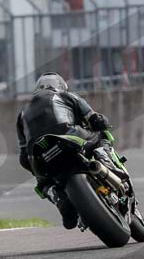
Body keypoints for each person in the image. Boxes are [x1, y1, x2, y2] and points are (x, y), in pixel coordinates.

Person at [16, 73, 113, 229]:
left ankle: (57, 196)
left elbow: (23, 157)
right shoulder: (66, 96)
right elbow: (94, 119)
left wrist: (37, 172)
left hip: (39, 155)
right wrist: (103, 123)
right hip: (69, 138)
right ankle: (104, 158)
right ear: (61, 86)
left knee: (43, 183)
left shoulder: (22, 114)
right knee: (101, 135)